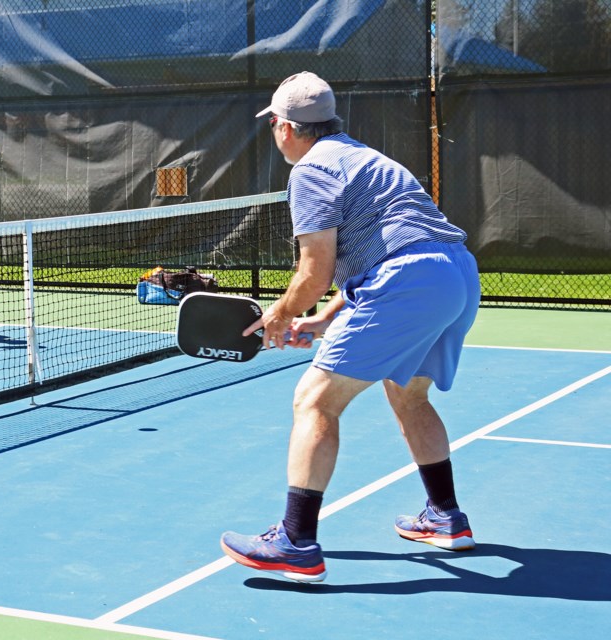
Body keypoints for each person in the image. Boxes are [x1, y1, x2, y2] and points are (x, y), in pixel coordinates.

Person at [220, 72, 481, 583]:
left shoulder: (311, 171)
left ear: (284, 126)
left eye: (273, 123)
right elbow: (388, 249)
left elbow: (314, 269)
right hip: (455, 275)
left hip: (408, 284)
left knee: (315, 401)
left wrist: (281, 315)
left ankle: (295, 541)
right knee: (409, 395)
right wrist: (321, 319)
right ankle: (445, 517)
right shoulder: (364, 156)